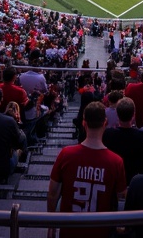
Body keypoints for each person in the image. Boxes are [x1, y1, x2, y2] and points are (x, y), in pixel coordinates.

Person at [47, 100, 127, 238]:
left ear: (84, 123)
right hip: (101, 231)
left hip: (69, 230)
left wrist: (51, 224)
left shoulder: (66, 154)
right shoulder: (116, 161)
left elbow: (53, 193)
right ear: (105, 123)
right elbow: (121, 197)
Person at [103, 96, 143, 183]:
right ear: (133, 115)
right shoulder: (142, 136)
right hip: (136, 179)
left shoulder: (108, 135)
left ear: (117, 114)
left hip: (115, 178)